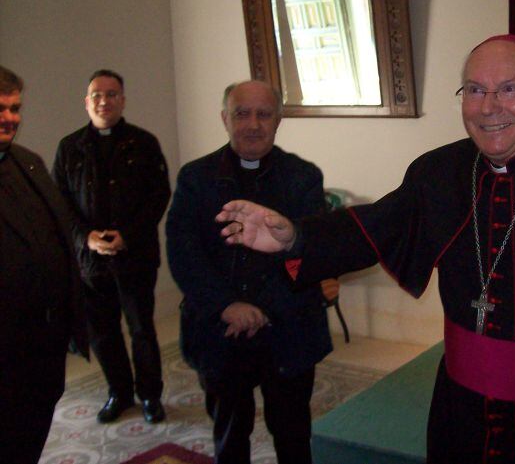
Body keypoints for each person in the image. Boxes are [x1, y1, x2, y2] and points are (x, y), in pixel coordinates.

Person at [216, 36, 515, 464]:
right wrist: (294, 236)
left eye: (509, 89)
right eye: (475, 90)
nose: (489, 107)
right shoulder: (438, 171)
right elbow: (373, 229)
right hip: (461, 399)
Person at [166, 80, 332, 464]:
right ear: (225, 118)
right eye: (242, 113)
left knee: (293, 435)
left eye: (264, 113)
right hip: (219, 330)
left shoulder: (303, 177)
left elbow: (310, 251)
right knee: (229, 434)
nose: (253, 124)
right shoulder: (195, 178)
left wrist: (260, 311)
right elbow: (183, 251)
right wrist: (226, 305)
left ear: (279, 120)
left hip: (287, 329)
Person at [52, 69, 170, 424]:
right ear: (87, 102)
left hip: (134, 256)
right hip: (90, 263)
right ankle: (119, 392)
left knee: (141, 330)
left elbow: (158, 195)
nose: (104, 101)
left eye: (112, 94)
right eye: (97, 95)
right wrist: (85, 238)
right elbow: (60, 202)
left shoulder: (144, 143)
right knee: (102, 334)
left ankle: (150, 396)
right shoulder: (69, 147)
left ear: (123, 100)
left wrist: (126, 236)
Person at [0, 65, 89, 463]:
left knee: (29, 438)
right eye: (0, 109)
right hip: (6, 350)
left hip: (43, 345)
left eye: (15, 108)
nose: (9, 118)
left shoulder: (29, 161)